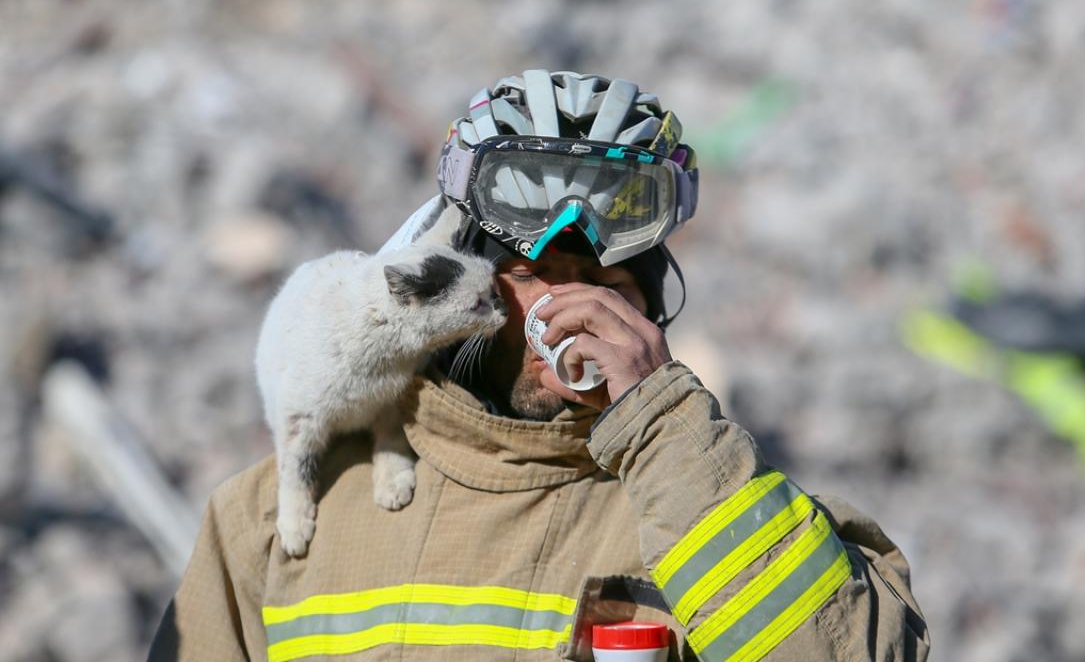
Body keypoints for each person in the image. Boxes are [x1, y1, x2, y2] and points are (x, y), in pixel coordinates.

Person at [148, 71, 929, 661]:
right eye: (536, 275)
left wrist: (662, 425)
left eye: (611, 286)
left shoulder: (717, 512)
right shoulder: (277, 518)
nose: (576, 311)